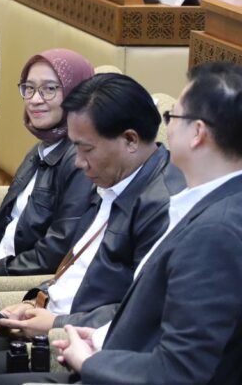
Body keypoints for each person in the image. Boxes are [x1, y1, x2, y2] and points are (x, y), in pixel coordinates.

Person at [0, 73, 185, 382]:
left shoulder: (163, 207)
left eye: (86, 149)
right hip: (44, 318)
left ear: (130, 140)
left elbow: (140, 311)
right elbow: (74, 265)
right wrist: (34, 301)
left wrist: (55, 321)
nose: (79, 163)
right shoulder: (113, 179)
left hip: (76, 341)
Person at [42, 63, 242, 384]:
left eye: (172, 117)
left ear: (198, 133)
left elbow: (179, 372)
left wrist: (89, 361)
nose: (164, 127)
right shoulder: (213, 204)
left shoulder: (215, 232)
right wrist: (103, 335)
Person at [0, 49, 95, 278]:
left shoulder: (80, 161)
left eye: (49, 89)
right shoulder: (41, 149)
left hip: (13, 289)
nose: (35, 99)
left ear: (78, 94)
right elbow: (14, 228)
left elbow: (56, 251)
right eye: (30, 88)